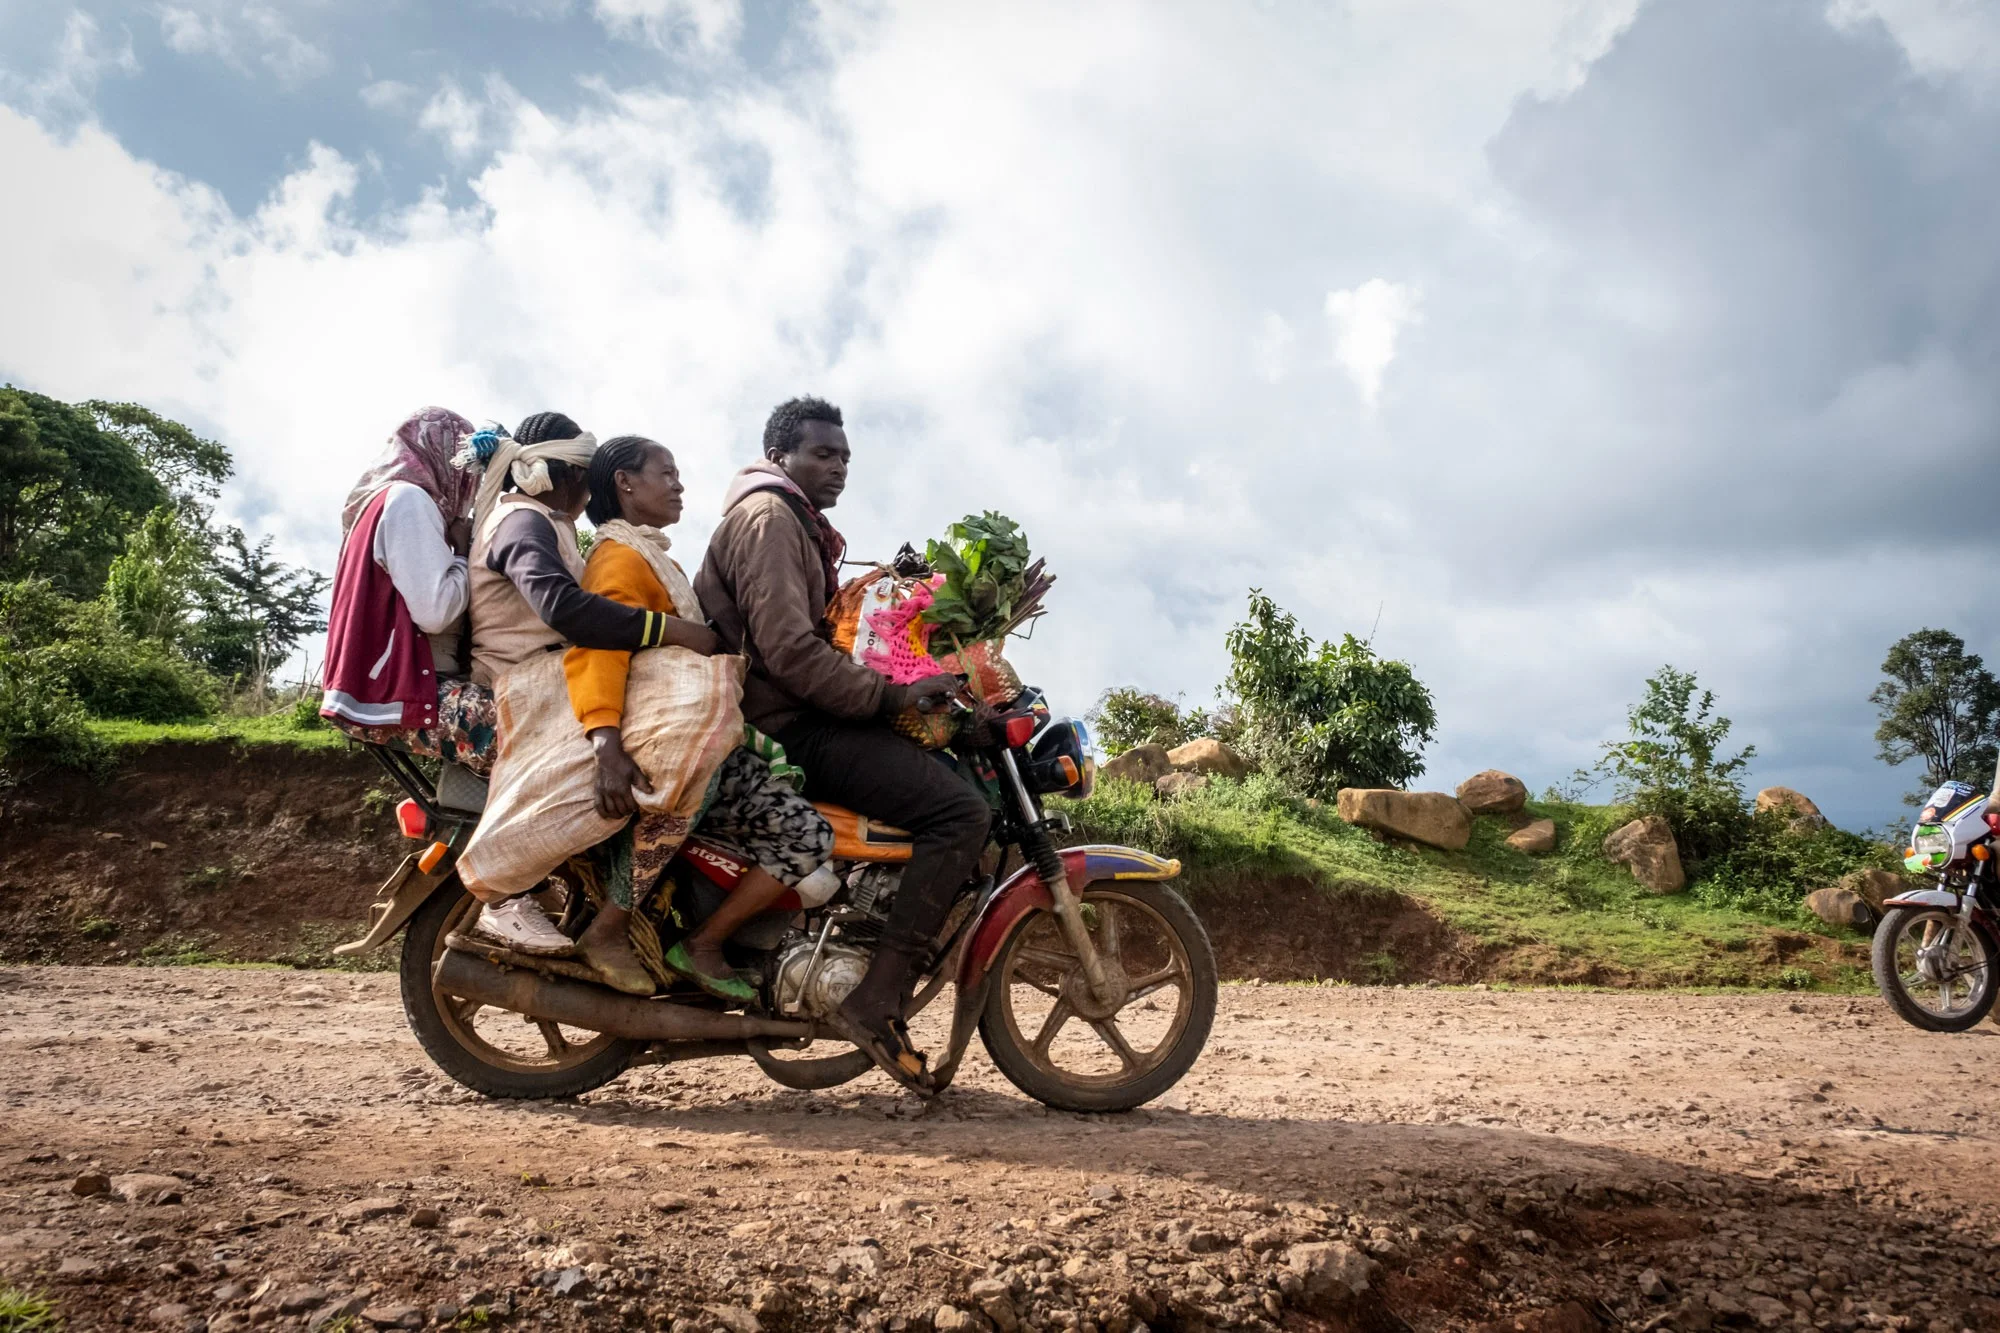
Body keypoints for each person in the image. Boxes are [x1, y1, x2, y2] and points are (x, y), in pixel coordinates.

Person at [694, 396, 989, 1093]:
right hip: (789, 725)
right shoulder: (769, 519)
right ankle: (875, 997)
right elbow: (791, 653)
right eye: (823, 454)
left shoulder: (795, 522)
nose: (838, 467)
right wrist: (887, 696)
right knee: (961, 813)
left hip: (801, 712)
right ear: (780, 456)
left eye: (846, 456)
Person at [563, 435, 835, 997]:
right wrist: (605, 745)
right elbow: (597, 648)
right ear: (625, 483)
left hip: (686, 734)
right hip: (667, 744)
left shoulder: (650, 556)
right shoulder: (620, 558)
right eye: (667, 472)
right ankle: (694, 942)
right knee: (807, 835)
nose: (679, 484)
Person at [460, 411, 688, 957]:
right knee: (658, 774)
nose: (590, 490)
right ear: (558, 473)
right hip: (513, 692)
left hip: (542, 687)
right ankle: (507, 892)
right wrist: (667, 629)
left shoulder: (544, 524)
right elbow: (562, 608)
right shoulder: (521, 522)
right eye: (586, 474)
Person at [321, 407, 499, 772]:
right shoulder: (409, 501)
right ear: (444, 457)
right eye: (465, 468)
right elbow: (436, 612)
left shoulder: (380, 501)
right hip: (397, 690)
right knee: (530, 731)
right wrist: (463, 552)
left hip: (384, 686)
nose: (468, 482)